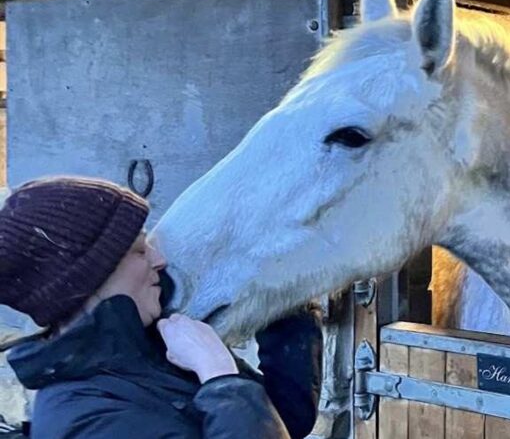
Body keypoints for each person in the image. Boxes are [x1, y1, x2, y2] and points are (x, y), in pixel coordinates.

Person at [0, 177, 322, 438]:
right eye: (140, 251)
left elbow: (280, 419)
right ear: (91, 276)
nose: (159, 260)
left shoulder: (149, 350)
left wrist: (285, 294)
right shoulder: (82, 419)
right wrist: (217, 374)